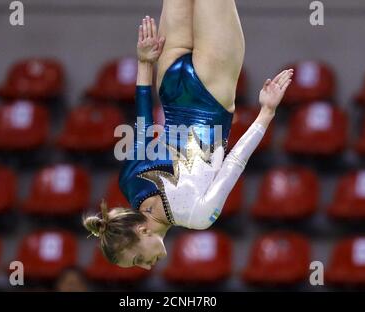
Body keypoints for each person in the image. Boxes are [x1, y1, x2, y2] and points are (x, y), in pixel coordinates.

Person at [84, 0, 293, 270]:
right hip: (170, 85)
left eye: (138, 259)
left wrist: (266, 113)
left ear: (142, 233)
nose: (147, 267)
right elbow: (144, 126)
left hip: (211, 91)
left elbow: (234, 164)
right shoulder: (128, 184)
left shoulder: (198, 216)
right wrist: (146, 63)